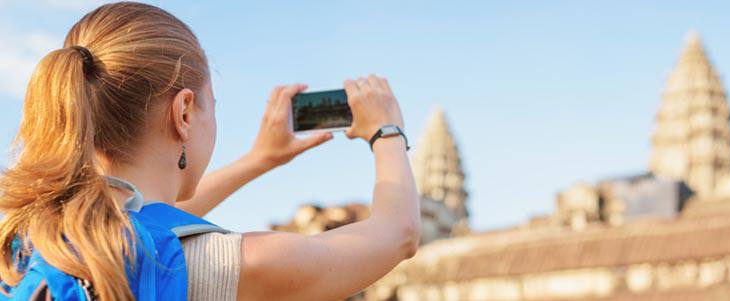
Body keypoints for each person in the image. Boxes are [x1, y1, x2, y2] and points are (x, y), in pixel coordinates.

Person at [0, 2, 420, 300]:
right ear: (184, 112)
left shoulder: (22, 246)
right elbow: (396, 235)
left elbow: (146, 218)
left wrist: (259, 160)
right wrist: (386, 129)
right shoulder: (217, 265)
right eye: (210, 107)